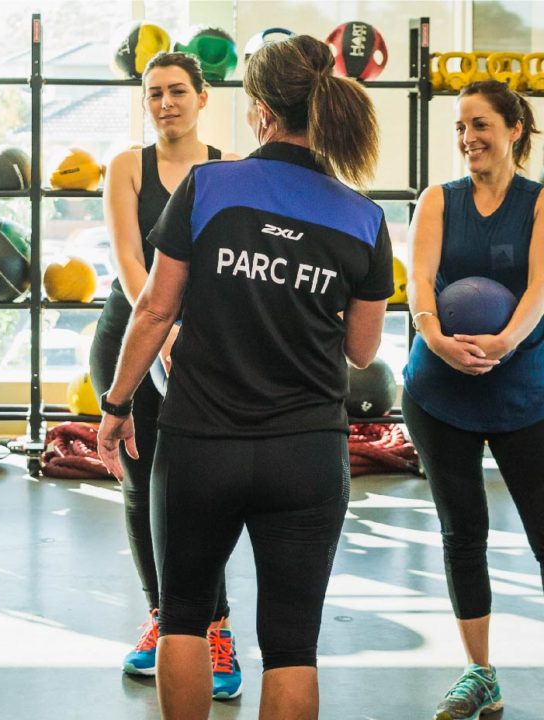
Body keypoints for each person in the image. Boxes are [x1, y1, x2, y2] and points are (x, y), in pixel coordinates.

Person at [98, 35, 391, 720]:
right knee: (292, 646)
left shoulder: (209, 186)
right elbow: (361, 349)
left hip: (203, 445)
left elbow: (154, 310)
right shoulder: (364, 217)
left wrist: (116, 407)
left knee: (184, 619)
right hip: (307, 455)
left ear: (259, 112)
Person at [88, 51, 242, 699]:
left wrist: (193, 334)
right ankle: (161, 615)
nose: (165, 103)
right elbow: (130, 262)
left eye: (178, 91)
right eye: (154, 93)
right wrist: (163, 331)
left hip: (199, 346)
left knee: (204, 488)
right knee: (140, 481)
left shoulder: (230, 170)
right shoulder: (128, 167)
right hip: (134, 335)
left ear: (204, 97)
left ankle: (216, 626)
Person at [402, 79, 543, 720]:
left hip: (525, 390)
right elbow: (420, 284)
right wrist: (435, 338)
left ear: (515, 128)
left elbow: (541, 289)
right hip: (440, 389)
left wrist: (507, 342)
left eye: (481, 125)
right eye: (461, 127)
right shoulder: (438, 199)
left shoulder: (540, 204)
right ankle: (480, 673)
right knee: (463, 534)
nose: (468, 139)